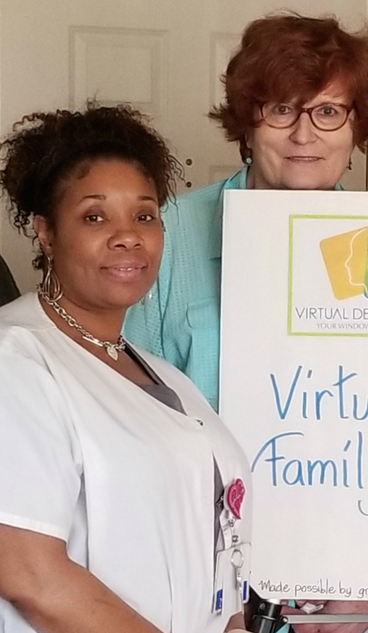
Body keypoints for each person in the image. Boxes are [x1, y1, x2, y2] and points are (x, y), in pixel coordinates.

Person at [121, 13, 368, 633]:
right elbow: (132, 426)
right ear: (246, 121)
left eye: (328, 112)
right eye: (280, 110)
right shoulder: (170, 236)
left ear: (356, 127)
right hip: (215, 588)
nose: (304, 135)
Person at [0, 106, 251, 633]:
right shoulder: (17, 359)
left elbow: (215, 543)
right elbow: (27, 572)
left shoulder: (160, 376)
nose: (128, 236)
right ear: (46, 232)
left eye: (144, 215)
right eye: (95, 217)